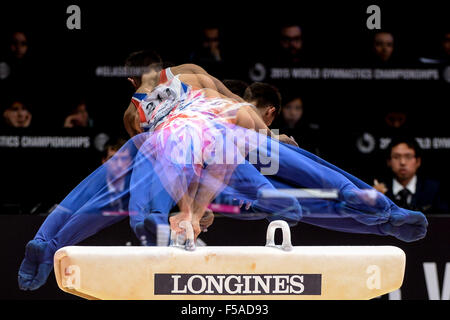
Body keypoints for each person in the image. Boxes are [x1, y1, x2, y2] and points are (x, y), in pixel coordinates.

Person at [18, 50, 428, 291]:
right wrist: (273, 138)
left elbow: (174, 162)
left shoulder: (133, 113)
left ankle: (48, 239)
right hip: (222, 130)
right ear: (167, 67)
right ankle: (385, 214)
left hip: (172, 145)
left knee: (115, 193)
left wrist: (189, 213)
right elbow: (238, 108)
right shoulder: (193, 74)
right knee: (308, 177)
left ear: (132, 80)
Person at [373, 137, 448, 214]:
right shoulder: (378, 191)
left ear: (418, 161)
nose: (402, 162)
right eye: (396, 157)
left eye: (408, 157)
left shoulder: (433, 189)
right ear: (389, 162)